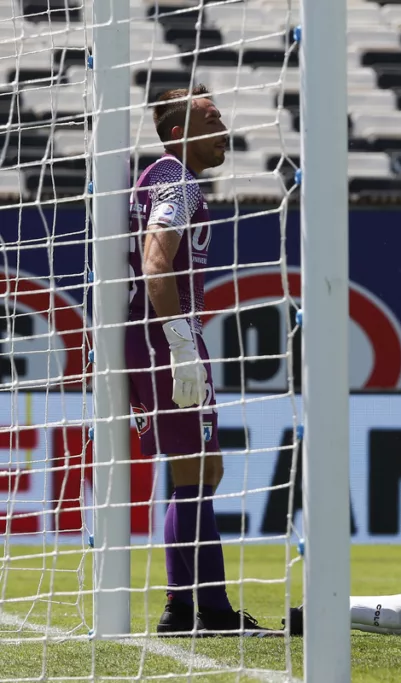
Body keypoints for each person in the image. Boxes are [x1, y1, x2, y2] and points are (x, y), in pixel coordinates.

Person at [127, 85, 275, 637]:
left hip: (155, 336)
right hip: (166, 337)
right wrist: (180, 342)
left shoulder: (159, 179)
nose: (222, 130)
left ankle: (183, 608)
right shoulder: (175, 181)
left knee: (199, 469)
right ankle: (208, 611)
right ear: (177, 133)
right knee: (196, 470)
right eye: (210, 120)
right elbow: (155, 260)